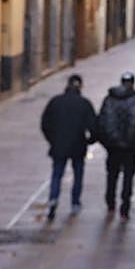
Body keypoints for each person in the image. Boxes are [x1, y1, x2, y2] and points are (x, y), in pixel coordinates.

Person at [40, 73, 97, 222]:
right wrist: (89, 141)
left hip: (59, 145)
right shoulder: (85, 104)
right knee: (78, 175)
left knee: (57, 174)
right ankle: (75, 203)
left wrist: (52, 140)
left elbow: (45, 124)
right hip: (78, 145)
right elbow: (94, 127)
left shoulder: (55, 102)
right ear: (81, 87)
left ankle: (53, 199)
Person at [96, 71, 135, 219]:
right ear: (133, 83)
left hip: (112, 146)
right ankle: (125, 206)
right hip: (130, 147)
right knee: (128, 176)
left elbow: (101, 123)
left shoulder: (108, 99)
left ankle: (110, 202)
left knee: (112, 174)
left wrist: (106, 142)